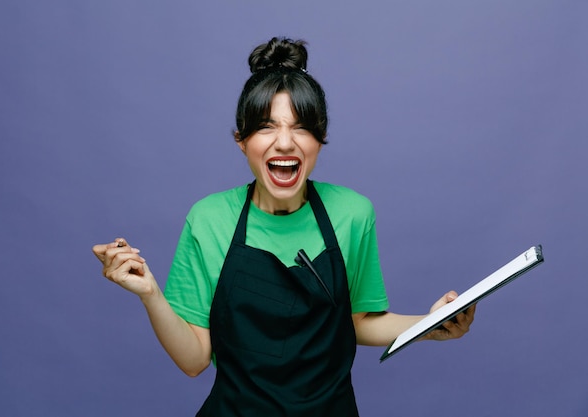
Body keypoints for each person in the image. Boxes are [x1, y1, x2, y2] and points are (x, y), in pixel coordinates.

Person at [92, 37, 475, 416]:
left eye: (301, 128)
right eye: (266, 127)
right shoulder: (208, 219)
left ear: (320, 141)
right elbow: (194, 360)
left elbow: (356, 322)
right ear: (241, 141)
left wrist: (429, 324)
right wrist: (150, 293)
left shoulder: (353, 213)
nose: (285, 143)